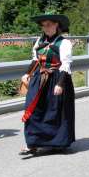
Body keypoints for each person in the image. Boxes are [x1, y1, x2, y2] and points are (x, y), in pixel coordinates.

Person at [19, 12, 75, 156]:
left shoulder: (64, 43)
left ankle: (58, 142)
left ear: (56, 25)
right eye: (44, 25)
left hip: (57, 78)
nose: (46, 28)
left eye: (49, 25)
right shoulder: (39, 41)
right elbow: (35, 59)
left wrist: (60, 84)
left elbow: (66, 64)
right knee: (33, 108)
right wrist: (27, 74)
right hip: (40, 77)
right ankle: (32, 143)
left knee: (55, 111)